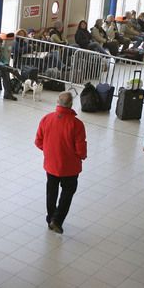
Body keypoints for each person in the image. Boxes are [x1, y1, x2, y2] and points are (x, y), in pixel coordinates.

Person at [34, 92, 87, 234]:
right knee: (67, 192)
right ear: (71, 104)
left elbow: (38, 141)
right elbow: (81, 150)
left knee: (51, 192)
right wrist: (81, 157)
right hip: (70, 168)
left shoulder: (46, 119)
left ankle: (50, 217)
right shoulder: (77, 125)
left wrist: (50, 152)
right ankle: (57, 220)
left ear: (57, 102)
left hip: (51, 165)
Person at [0, 36, 21, 100]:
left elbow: (3, 58)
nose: (2, 45)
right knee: (6, 72)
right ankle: (8, 93)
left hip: (1, 66)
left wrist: (6, 63)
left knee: (14, 70)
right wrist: (3, 65)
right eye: (1, 43)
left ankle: (20, 82)